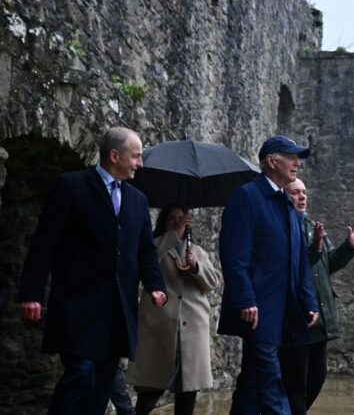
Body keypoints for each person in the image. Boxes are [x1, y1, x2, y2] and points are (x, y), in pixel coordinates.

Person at [17, 126, 168, 415]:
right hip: (78, 306)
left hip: (117, 312)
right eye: (135, 156)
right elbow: (44, 243)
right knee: (81, 375)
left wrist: (155, 284)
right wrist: (31, 293)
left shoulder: (137, 201)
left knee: (100, 385)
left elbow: (145, 250)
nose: (140, 163)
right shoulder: (71, 186)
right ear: (114, 155)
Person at [218, 135, 319, 415]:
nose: (297, 162)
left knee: (251, 387)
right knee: (272, 383)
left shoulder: (288, 206)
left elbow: (298, 261)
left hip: (284, 313)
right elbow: (233, 255)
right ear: (271, 161)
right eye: (291, 156)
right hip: (258, 310)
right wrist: (246, 298)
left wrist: (308, 301)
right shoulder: (247, 197)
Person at [279, 179, 354, 414]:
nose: (302, 197)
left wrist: (350, 247)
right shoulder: (280, 227)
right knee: (295, 383)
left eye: (304, 192)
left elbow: (328, 264)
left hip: (321, 317)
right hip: (296, 317)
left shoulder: (311, 226)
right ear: (283, 196)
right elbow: (290, 266)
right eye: (295, 193)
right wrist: (315, 248)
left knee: (317, 377)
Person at [127, 204, 222, 415]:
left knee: (188, 389)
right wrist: (174, 234)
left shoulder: (197, 251)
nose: (178, 222)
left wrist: (196, 267)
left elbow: (213, 282)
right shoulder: (155, 245)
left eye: (182, 219)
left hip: (192, 326)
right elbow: (147, 262)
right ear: (164, 222)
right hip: (160, 325)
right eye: (172, 219)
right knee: (151, 387)